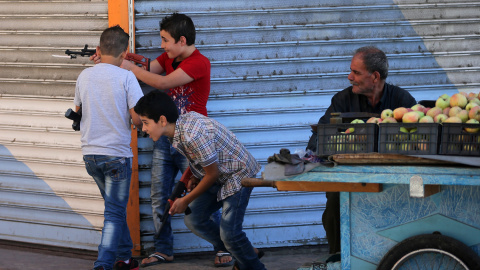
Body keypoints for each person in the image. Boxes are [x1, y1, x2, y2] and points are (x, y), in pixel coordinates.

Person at [119, 13, 225, 267]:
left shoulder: (200, 63)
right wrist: (113, 61)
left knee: (207, 196)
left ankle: (225, 247)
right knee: (159, 195)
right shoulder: (169, 57)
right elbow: (146, 70)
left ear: (182, 40)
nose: (162, 47)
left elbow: (162, 82)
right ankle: (163, 249)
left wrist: (131, 68)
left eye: (165, 41)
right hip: (165, 138)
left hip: (192, 141)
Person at [307, 46, 417, 265]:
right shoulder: (341, 101)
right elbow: (318, 139)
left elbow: (419, 140)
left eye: (356, 73)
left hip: (391, 178)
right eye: (351, 71)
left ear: (375, 77)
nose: (350, 77)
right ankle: (339, 259)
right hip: (347, 177)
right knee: (334, 206)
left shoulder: (402, 101)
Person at [134, 90, 267, 270]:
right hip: (219, 175)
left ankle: (252, 264)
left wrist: (185, 200)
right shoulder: (178, 130)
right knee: (194, 219)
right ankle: (246, 252)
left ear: (162, 120)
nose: (144, 129)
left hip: (238, 176)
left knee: (230, 234)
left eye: (146, 123)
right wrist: (195, 176)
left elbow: (212, 174)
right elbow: (204, 162)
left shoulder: (192, 135)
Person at [74, 25, 144, 270]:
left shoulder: (84, 76)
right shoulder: (127, 77)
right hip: (116, 157)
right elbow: (137, 119)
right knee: (114, 213)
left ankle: (124, 257)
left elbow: (77, 112)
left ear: (97, 50)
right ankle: (103, 264)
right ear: (125, 54)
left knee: (114, 208)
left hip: (90, 155)